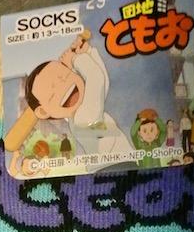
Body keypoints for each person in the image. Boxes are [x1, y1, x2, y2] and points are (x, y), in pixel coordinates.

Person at [22, 35, 133, 168]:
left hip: (113, 163)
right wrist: (75, 59)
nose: (62, 84)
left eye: (64, 75)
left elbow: (101, 84)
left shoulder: (77, 115)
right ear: (43, 111)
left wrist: (88, 52)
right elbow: (96, 77)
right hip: (116, 165)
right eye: (51, 89)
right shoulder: (82, 117)